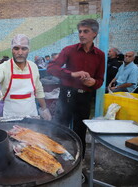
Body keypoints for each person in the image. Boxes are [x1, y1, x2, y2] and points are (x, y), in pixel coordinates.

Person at [47, 19, 105, 158]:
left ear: (94, 34)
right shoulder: (69, 50)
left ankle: (79, 161)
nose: (81, 34)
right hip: (67, 94)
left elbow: (100, 80)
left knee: (80, 131)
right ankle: (53, 158)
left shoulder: (100, 55)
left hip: (84, 97)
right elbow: (51, 68)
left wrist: (93, 82)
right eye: (80, 31)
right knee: (60, 128)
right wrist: (72, 74)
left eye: (86, 31)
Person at [0, 34, 51, 120]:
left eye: (24, 48)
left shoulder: (33, 66)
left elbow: (39, 90)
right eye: (16, 48)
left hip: (32, 117)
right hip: (10, 118)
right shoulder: (3, 67)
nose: (20, 52)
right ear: (12, 50)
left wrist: (44, 109)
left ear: (29, 50)